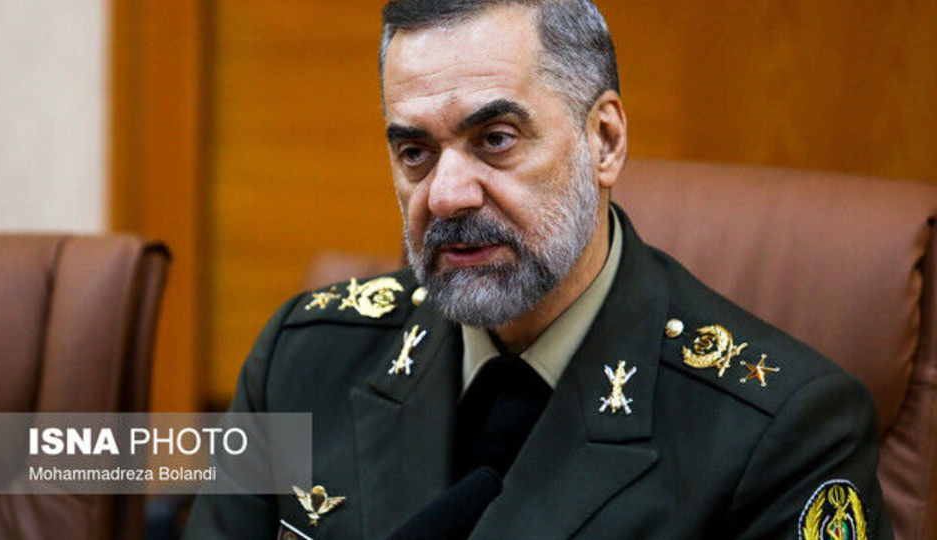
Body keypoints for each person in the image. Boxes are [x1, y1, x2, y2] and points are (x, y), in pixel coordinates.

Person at [184, 1, 893, 538]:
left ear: (604, 141)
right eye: (415, 153)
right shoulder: (303, 358)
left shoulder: (780, 432)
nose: (446, 196)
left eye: (495, 139)